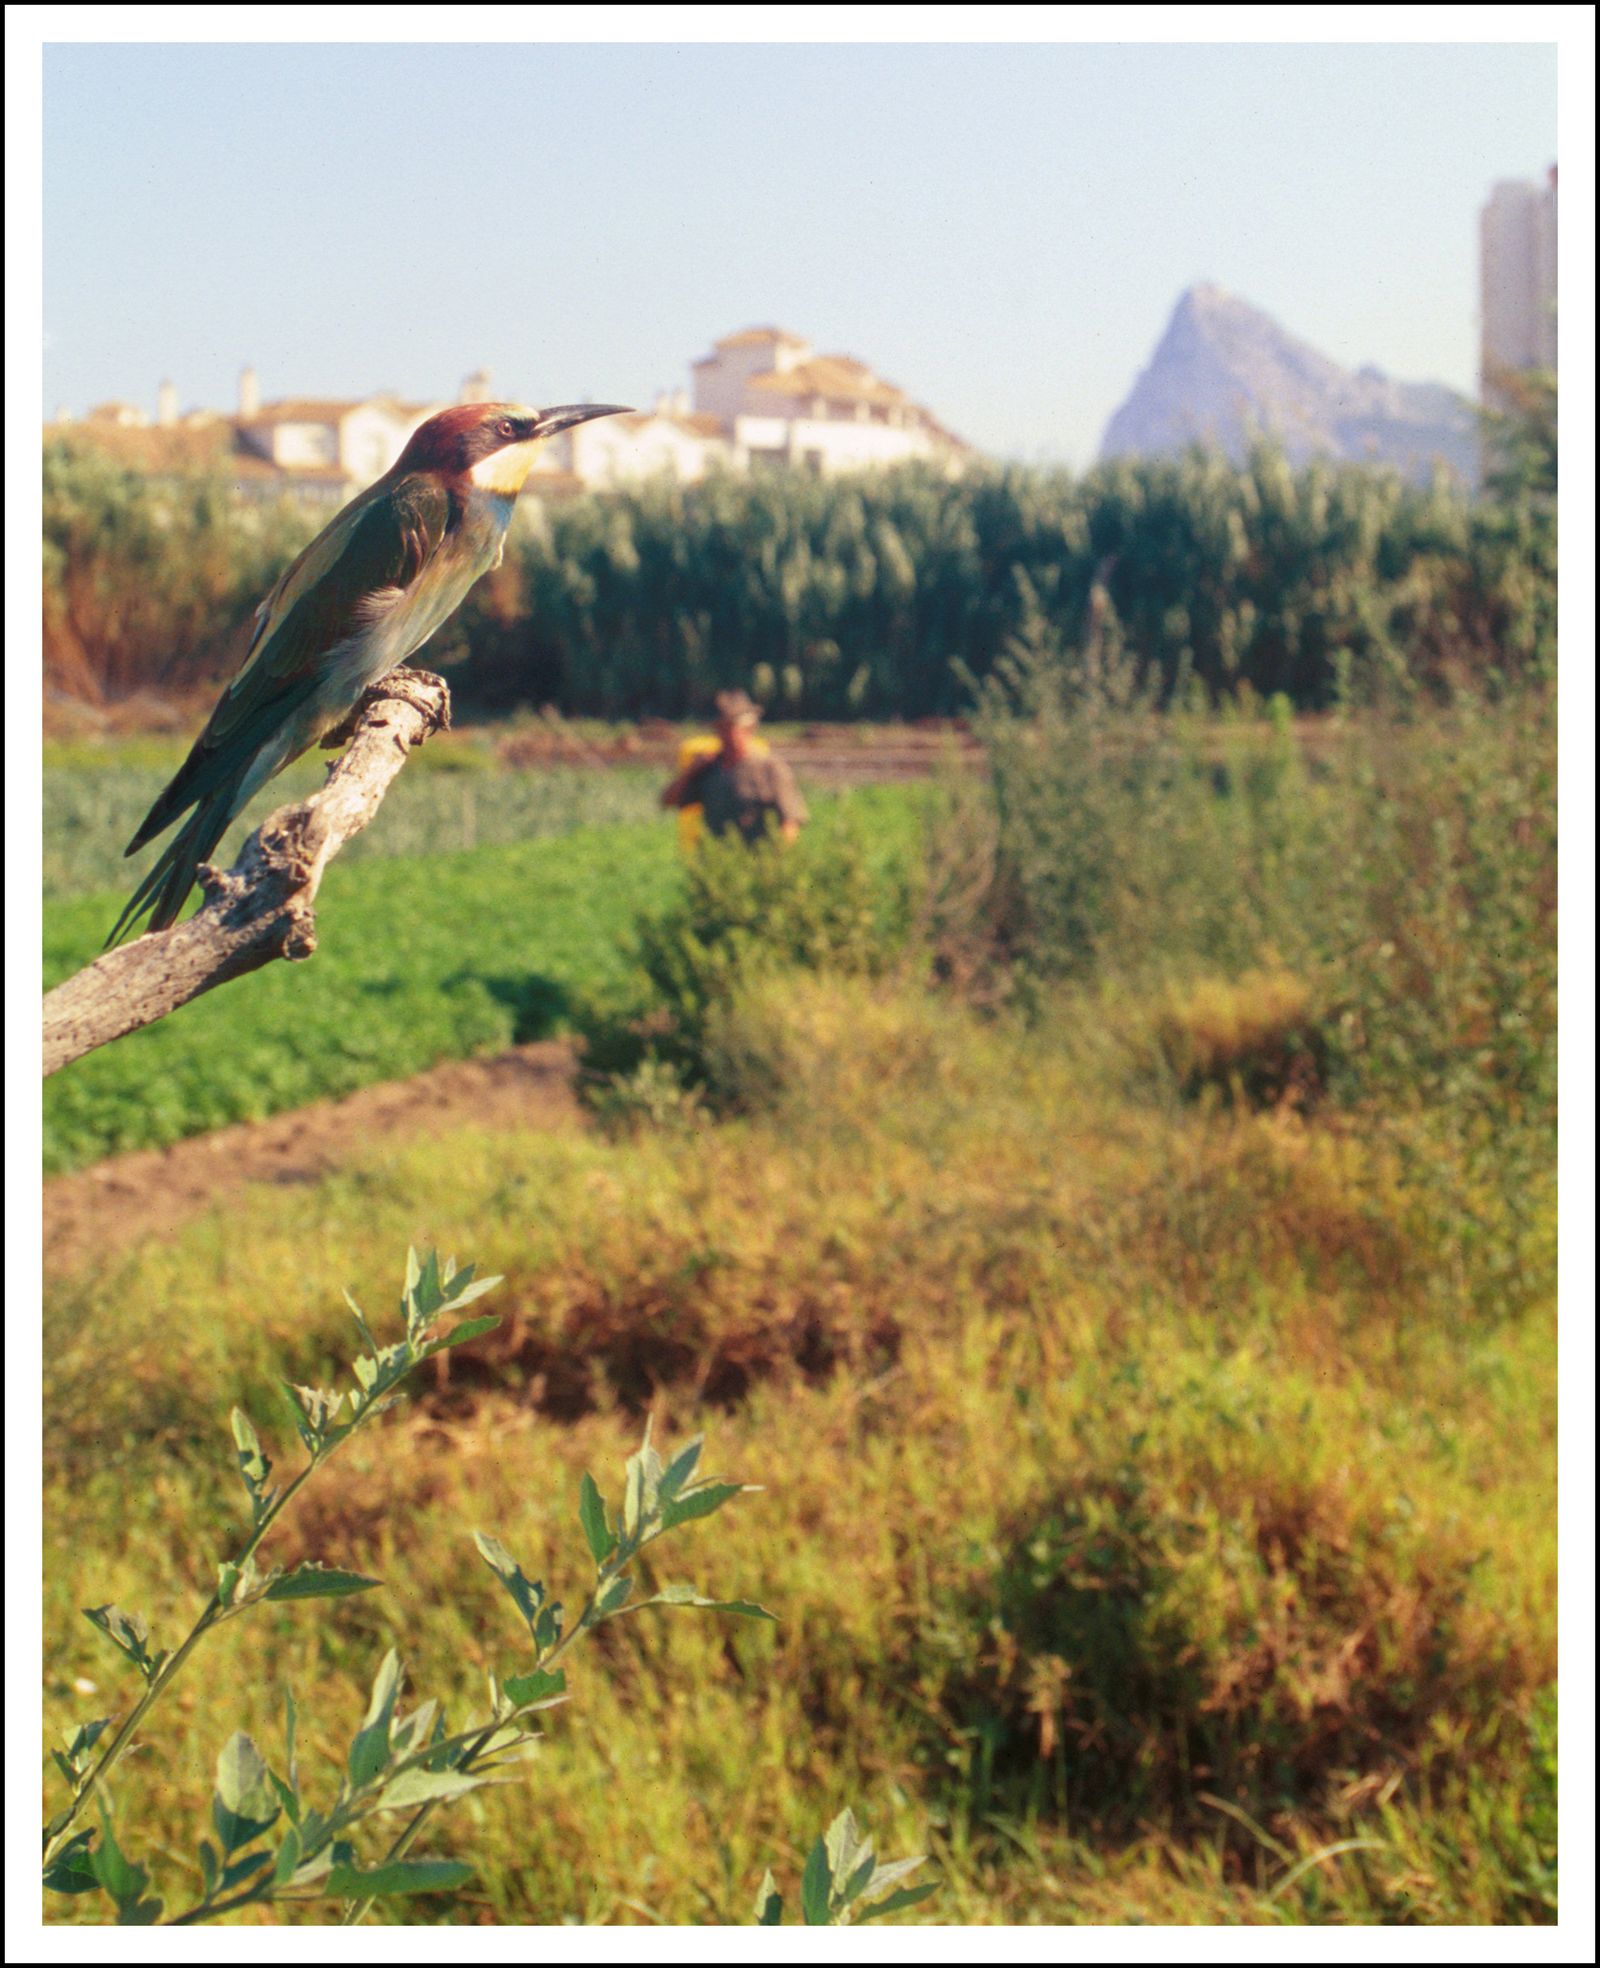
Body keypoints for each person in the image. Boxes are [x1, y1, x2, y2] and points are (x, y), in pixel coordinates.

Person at [659, 690, 809, 846]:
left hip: (759, 862)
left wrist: (778, 860)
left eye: (731, 728)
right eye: (720, 728)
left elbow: (790, 821)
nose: (726, 735)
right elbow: (668, 800)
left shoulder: (770, 767)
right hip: (719, 863)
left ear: (749, 728)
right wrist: (690, 772)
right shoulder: (710, 769)